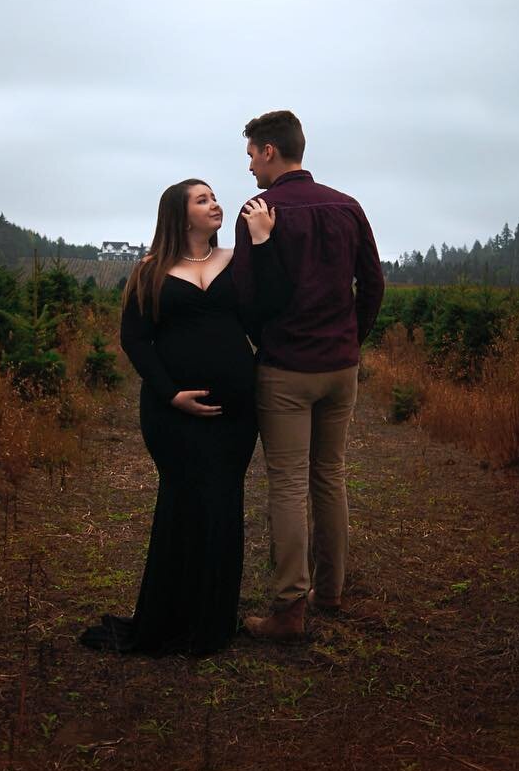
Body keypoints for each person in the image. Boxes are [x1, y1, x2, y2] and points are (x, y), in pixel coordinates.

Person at [79, 179, 287, 655]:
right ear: (179, 214)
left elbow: (272, 303)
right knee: (181, 504)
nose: (216, 205)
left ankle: (212, 622)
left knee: (222, 505)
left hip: (234, 414)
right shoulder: (150, 270)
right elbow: (135, 339)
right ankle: (169, 616)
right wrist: (171, 393)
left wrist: (264, 242)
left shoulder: (238, 260)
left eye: (214, 198)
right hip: (171, 415)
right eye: (203, 199)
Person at [231, 110, 384, 640]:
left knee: (289, 482)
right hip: (341, 368)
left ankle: (289, 609)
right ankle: (332, 590)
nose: (249, 166)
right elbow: (374, 284)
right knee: (330, 475)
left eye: (251, 154)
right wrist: (349, 339)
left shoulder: (259, 210)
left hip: (286, 370)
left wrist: (267, 342)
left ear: (270, 151)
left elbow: (248, 297)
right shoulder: (348, 207)